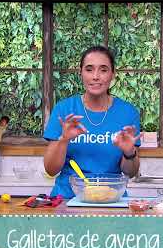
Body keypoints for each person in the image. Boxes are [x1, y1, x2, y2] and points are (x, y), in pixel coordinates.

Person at [43, 46, 141, 199]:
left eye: (103, 70)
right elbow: (51, 169)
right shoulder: (64, 109)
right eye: (89, 69)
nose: (96, 76)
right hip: (67, 200)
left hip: (111, 201)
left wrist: (129, 152)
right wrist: (63, 140)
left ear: (112, 74)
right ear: (81, 73)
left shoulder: (128, 113)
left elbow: (131, 172)